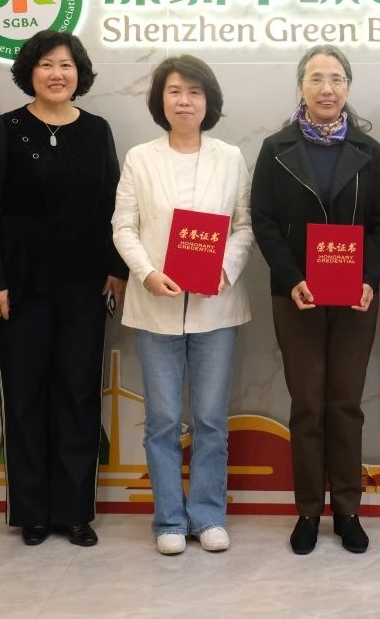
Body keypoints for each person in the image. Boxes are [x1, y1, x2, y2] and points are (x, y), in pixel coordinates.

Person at [0, 30, 128, 547]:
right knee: (25, 398)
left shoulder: (97, 130)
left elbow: (114, 204)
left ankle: (75, 511)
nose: (57, 73)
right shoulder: (5, 129)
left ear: (79, 73)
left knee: (78, 396)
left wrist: (116, 268)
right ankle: (33, 512)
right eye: (46, 64)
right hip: (20, 291)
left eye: (66, 64)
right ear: (29, 72)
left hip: (85, 289)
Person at [250, 44, 380, 556]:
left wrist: (369, 278)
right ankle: (309, 510)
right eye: (316, 78)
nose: (326, 88)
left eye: (336, 78)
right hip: (297, 296)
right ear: (301, 87)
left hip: (356, 298)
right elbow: (263, 220)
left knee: (345, 404)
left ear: (348, 87)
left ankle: (349, 510)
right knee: (308, 405)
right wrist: (291, 277)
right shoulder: (275, 148)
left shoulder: (368, 149)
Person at [112, 55, 254, 556]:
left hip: (217, 308)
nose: (185, 101)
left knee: (212, 419)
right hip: (157, 307)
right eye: (175, 91)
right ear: (161, 101)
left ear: (209, 101)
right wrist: (147, 273)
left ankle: (209, 515)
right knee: (163, 421)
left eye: (195, 92)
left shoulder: (230, 157)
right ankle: (169, 519)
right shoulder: (140, 158)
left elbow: (244, 226)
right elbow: (123, 226)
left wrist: (225, 270)